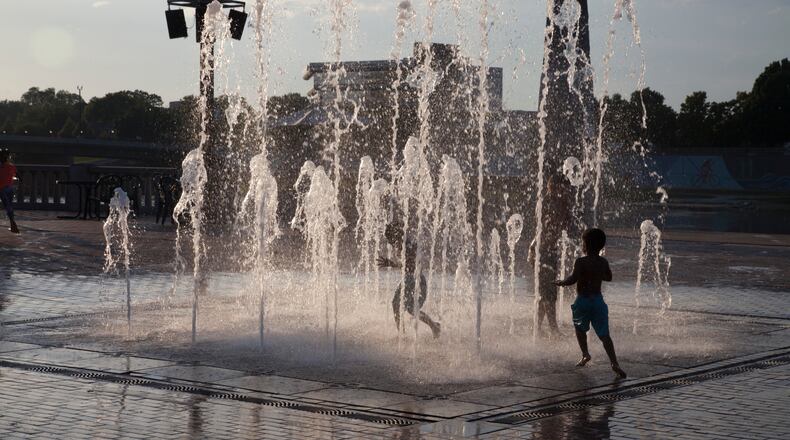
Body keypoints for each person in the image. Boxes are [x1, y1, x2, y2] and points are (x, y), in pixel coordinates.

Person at [555, 228, 626, 378]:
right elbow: (609, 278)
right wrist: (597, 274)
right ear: (601, 246)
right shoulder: (603, 262)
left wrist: (562, 282)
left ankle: (585, 354)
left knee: (580, 328)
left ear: (585, 245)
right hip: (598, 302)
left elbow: (573, 279)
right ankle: (614, 363)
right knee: (604, 335)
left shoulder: (581, 262)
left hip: (583, 301)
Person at [377, 223, 441, 338]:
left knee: (396, 304)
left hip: (413, 279)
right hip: (415, 280)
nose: (389, 242)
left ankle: (402, 335)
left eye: (389, 238)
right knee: (411, 308)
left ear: (394, 235)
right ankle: (434, 326)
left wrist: (391, 263)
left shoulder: (406, 245)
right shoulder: (404, 244)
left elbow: (410, 265)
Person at [531, 173, 572, 337]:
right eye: (563, 188)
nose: (566, 192)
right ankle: (553, 329)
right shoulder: (548, 203)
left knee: (545, 292)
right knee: (550, 293)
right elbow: (547, 228)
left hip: (546, 251)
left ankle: (537, 327)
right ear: (553, 186)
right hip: (541, 252)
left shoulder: (557, 202)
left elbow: (563, 227)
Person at [0, 148, 19, 234]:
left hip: (2, 189)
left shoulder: (1, 167)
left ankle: (13, 224)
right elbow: (17, 175)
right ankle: (12, 223)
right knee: (9, 206)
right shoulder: (11, 166)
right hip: (10, 188)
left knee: (7, 205)